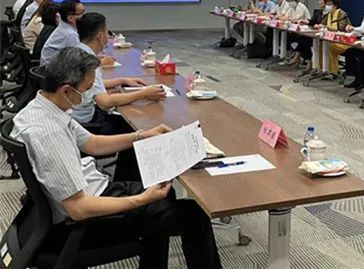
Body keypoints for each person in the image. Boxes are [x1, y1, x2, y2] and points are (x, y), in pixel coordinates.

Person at [10, 47, 222, 268]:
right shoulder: (49, 134)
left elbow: (92, 143)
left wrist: (141, 135)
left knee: (164, 196)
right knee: (194, 216)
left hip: (90, 190)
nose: (90, 95)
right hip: (84, 221)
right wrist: (142, 199)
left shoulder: (43, 108)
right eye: (87, 89)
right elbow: (78, 208)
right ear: (66, 90)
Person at [40, 0, 85, 66]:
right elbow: (78, 60)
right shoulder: (70, 34)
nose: (85, 16)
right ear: (70, 18)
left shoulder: (64, 27)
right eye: (81, 13)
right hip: (54, 70)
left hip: (51, 67)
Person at [318, 0, 351, 75]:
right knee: (321, 45)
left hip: (344, 41)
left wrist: (327, 27)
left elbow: (341, 28)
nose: (327, 6)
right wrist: (320, 26)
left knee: (328, 46)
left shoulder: (341, 14)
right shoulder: (329, 14)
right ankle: (322, 69)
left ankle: (332, 72)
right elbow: (323, 24)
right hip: (333, 39)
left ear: (335, 6)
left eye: (329, 4)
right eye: (326, 4)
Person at [293, 0, 327, 69]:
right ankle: (308, 61)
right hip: (315, 34)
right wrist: (305, 21)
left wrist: (322, 26)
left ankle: (303, 60)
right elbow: (312, 22)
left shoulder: (330, 14)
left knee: (304, 40)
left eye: (321, 0)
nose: (319, 2)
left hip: (323, 36)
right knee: (302, 38)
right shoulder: (318, 12)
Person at [281, 0, 312, 66]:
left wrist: (289, 19)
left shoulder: (301, 7)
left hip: (305, 30)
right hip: (296, 29)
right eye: (289, 1)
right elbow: (286, 17)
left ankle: (296, 57)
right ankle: (292, 56)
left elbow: (296, 19)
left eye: (291, 1)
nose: (290, 3)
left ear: (296, 0)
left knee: (299, 39)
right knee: (287, 35)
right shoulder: (291, 8)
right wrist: (287, 18)